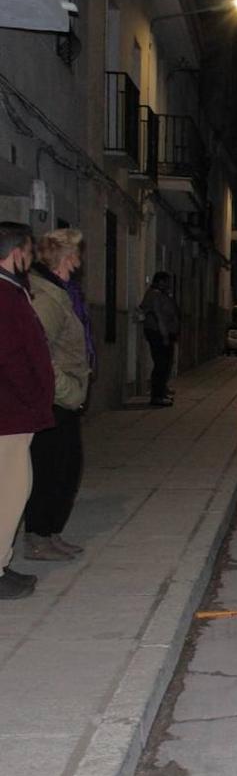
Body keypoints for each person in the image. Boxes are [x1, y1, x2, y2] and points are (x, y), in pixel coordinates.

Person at [24, 228, 93, 560]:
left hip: (64, 397)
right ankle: (38, 537)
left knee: (66, 467)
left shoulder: (61, 292)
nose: (79, 262)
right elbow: (38, 354)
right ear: (66, 258)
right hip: (54, 399)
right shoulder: (47, 298)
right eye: (76, 254)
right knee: (50, 469)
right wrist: (68, 390)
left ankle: (50, 533)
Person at [0, 222, 50, 598]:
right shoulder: (4, 295)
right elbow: (11, 356)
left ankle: (2, 562)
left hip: (14, 410)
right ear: (16, 253)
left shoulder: (12, 290)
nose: (31, 261)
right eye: (30, 253)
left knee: (15, 487)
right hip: (10, 411)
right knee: (11, 490)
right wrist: (34, 397)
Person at [139, 272, 179, 406]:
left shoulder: (162, 294)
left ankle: (161, 392)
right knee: (161, 364)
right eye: (166, 282)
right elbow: (159, 315)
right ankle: (157, 396)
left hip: (162, 332)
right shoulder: (154, 295)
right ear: (160, 282)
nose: (168, 285)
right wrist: (164, 335)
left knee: (165, 364)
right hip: (158, 333)